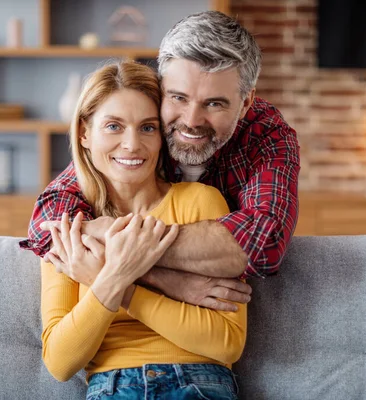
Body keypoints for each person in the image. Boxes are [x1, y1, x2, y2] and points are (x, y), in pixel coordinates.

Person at [20, 10, 300, 312]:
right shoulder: (142, 118)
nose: (191, 121)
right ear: (161, 85)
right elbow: (47, 227)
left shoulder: (267, 134)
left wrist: (108, 233)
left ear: (246, 102)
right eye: (178, 98)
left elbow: (264, 241)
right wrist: (167, 281)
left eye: (214, 103)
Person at [41, 60, 246, 399]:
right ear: (83, 133)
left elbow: (226, 344)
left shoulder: (200, 203)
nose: (132, 144)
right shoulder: (70, 224)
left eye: (147, 128)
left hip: (198, 383)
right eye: (113, 126)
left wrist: (115, 282)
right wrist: (115, 278)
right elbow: (60, 362)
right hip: (113, 387)